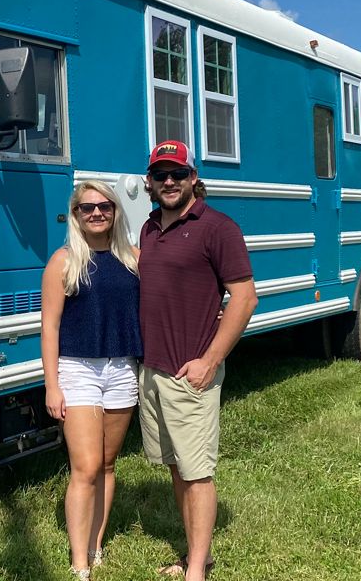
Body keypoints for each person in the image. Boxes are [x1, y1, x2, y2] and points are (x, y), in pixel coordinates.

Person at [137, 140, 257, 581]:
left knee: (197, 472)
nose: (169, 182)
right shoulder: (149, 228)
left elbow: (244, 299)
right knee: (176, 466)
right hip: (152, 370)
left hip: (191, 372)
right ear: (149, 182)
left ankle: (196, 572)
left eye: (178, 174)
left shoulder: (218, 228)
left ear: (193, 178)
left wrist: (208, 361)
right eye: (160, 175)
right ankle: (195, 555)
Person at [40, 180, 143, 581]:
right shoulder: (63, 262)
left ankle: (97, 546)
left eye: (104, 206)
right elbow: (49, 327)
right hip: (78, 369)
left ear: (116, 211)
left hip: (121, 369)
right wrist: (52, 384)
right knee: (84, 467)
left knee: (107, 463)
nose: (97, 213)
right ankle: (79, 562)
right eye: (87, 208)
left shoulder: (133, 260)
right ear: (76, 215)